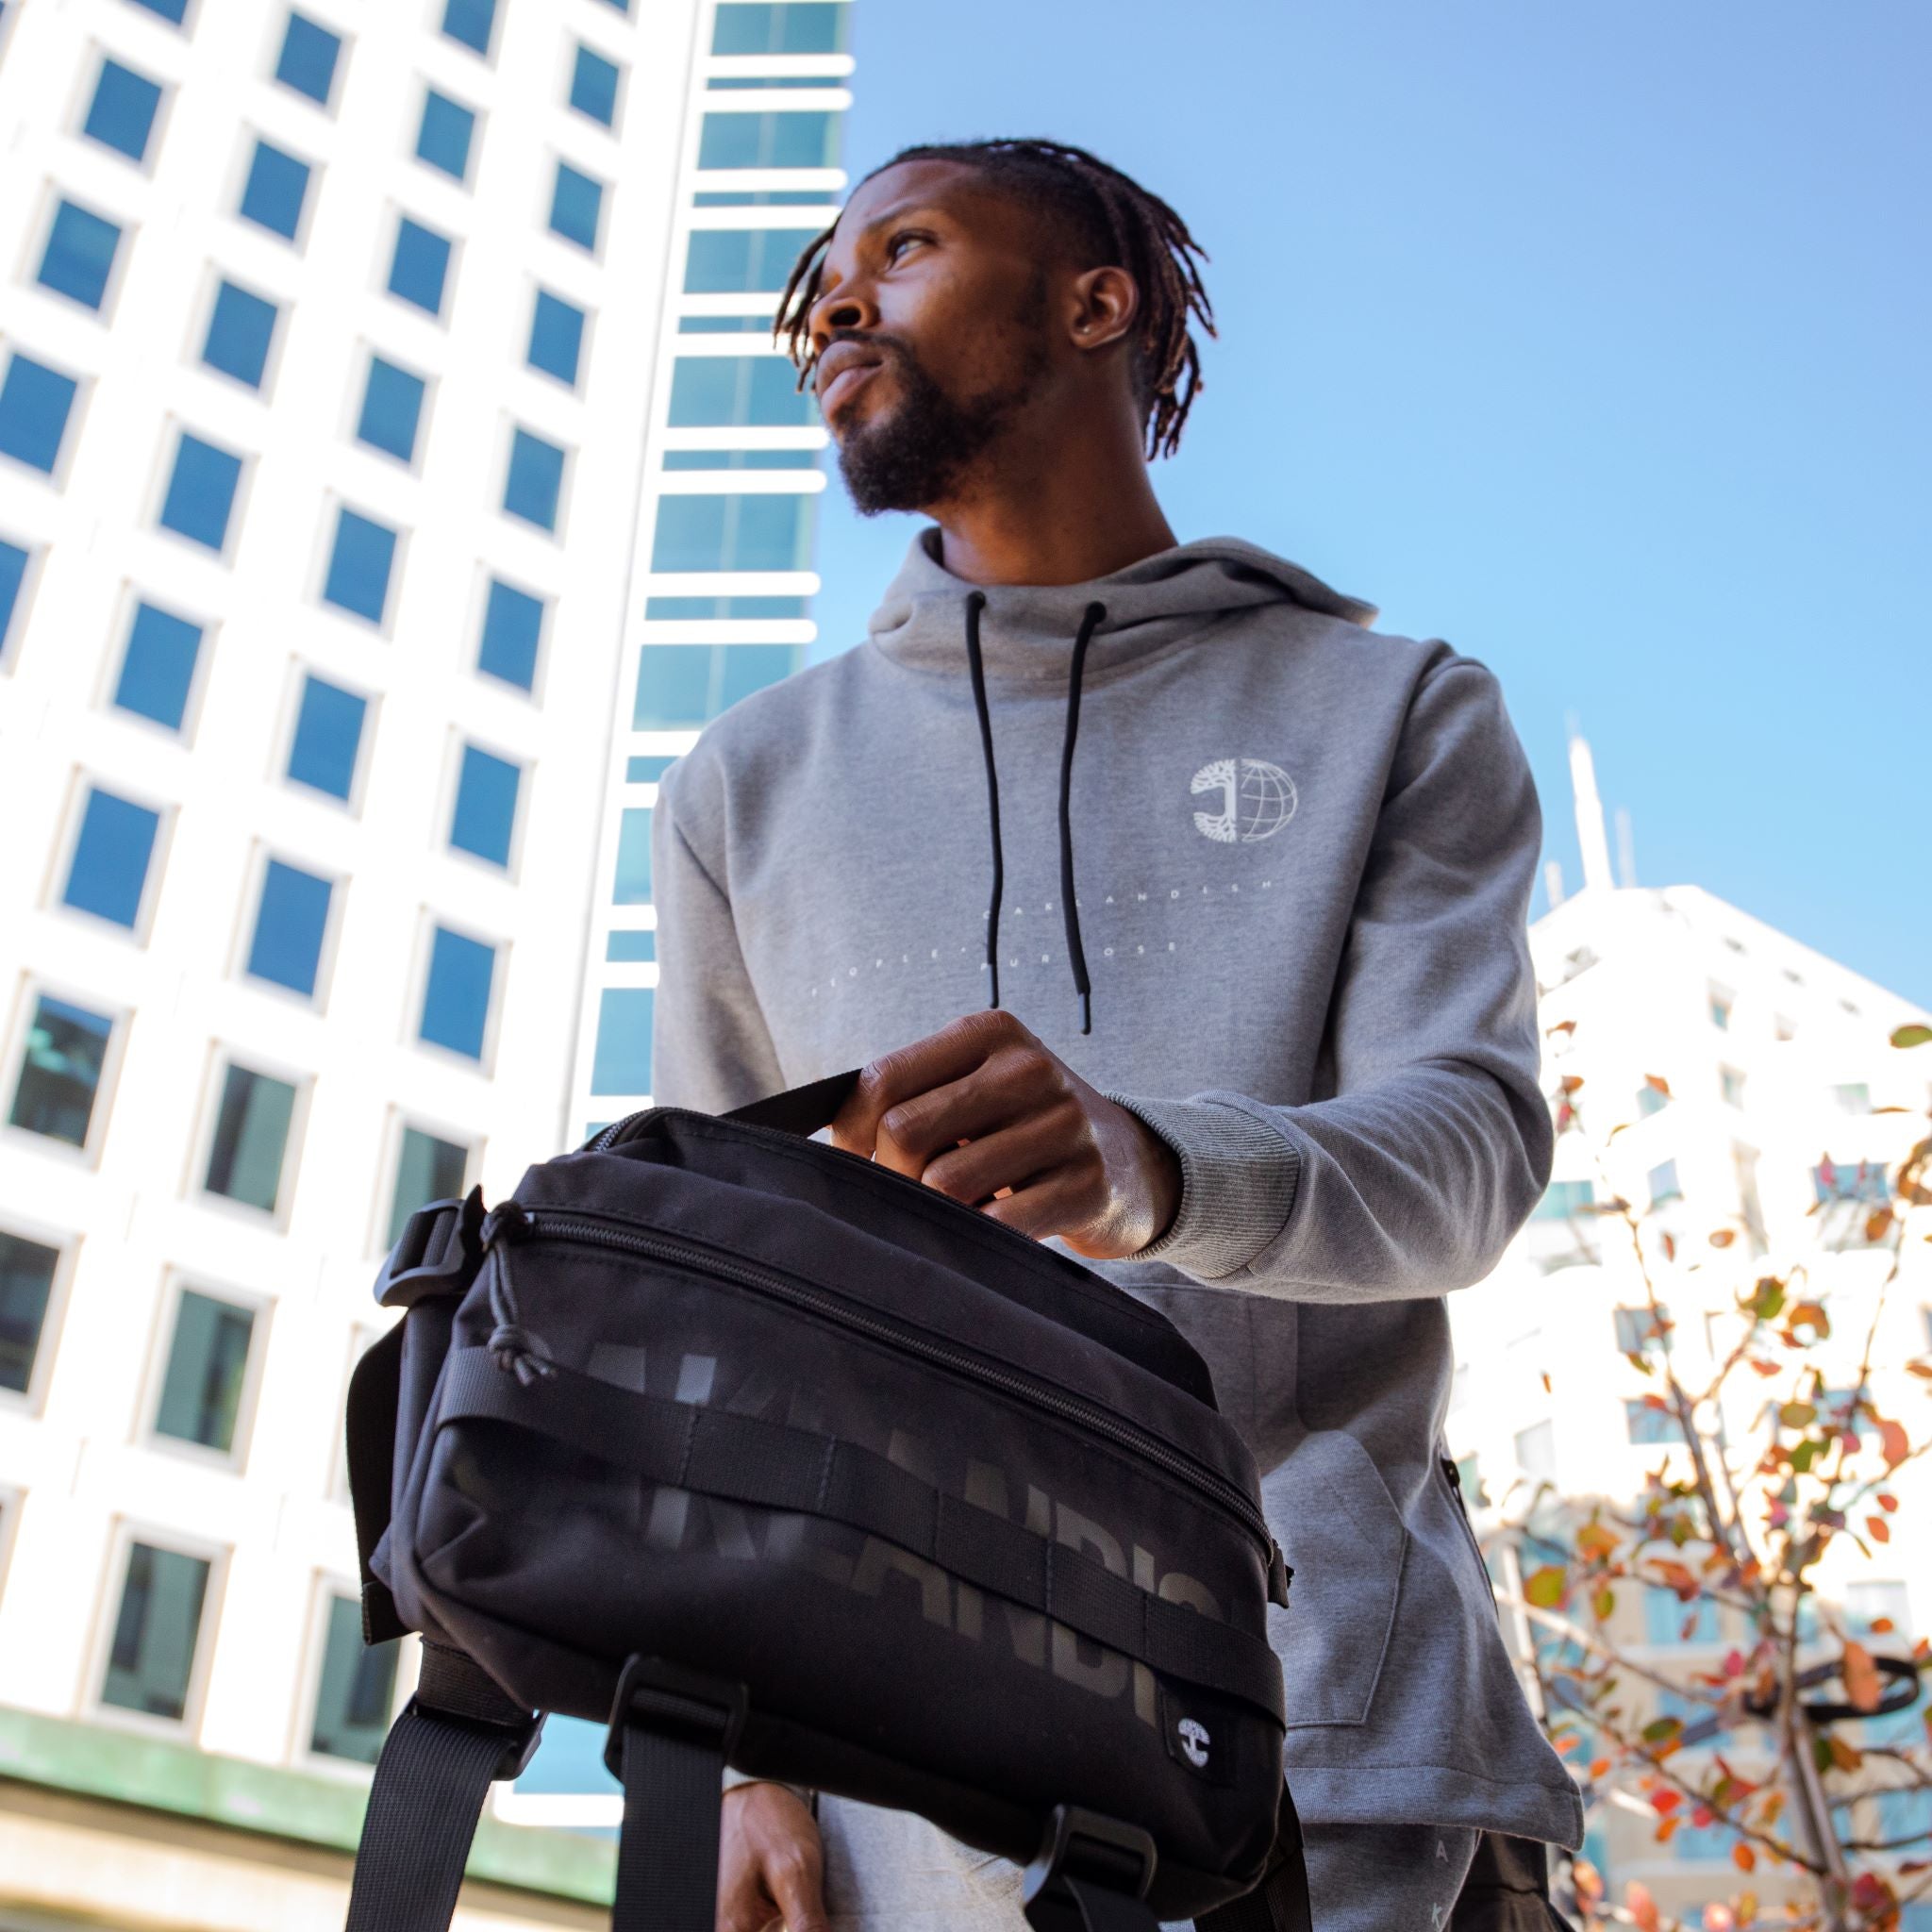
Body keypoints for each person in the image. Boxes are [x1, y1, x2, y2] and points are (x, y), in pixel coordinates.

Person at [649, 138, 1582, 1932]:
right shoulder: (741, 788)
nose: (837, 300)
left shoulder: (1391, 709)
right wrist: (741, 1766)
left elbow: (1467, 1153)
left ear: (1099, 304)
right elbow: (723, 1305)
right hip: (887, 1803)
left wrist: (1158, 1168)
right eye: (822, 282)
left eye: (903, 249)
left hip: (1326, 1764)